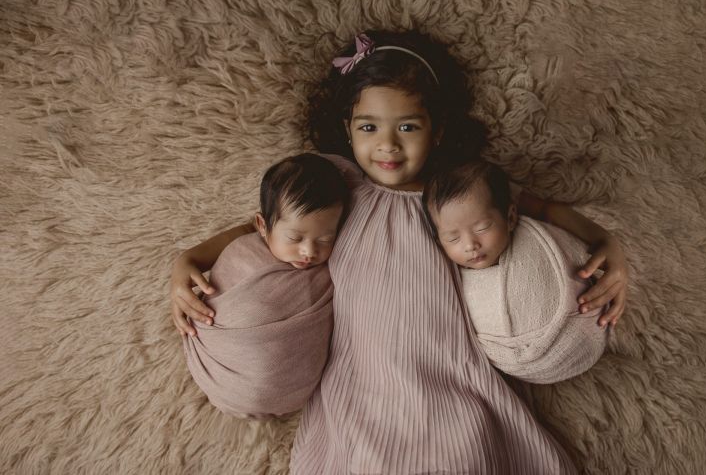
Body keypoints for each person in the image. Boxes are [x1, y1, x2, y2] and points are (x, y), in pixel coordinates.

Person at [170, 30, 629, 473]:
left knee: (466, 452)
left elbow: (543, 208)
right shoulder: (338, 183)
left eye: (408, 127)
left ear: (437, 130)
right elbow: (269, 225)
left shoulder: (458, 190)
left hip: (450, 368)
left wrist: (604, 241)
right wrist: (191, 259)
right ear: (347, 130)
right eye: (369, 127)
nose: (387, 144)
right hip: (362, 379)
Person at [182, 154, 348, 420]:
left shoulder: (327, 274)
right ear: (262, 225)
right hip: (221, 367)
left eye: (325, 240)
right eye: (295, 237)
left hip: (289, 388)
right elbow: (213, 300)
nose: (309, 251)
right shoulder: (241, 253)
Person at [422, 159, 608, 384]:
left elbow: (585, 259)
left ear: (510, 218)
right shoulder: (448, 281)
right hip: (519, 363)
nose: (470, 245)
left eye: (482, 228)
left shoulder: (538, 240)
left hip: (582, 325)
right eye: (453, 238)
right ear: (439, 243)